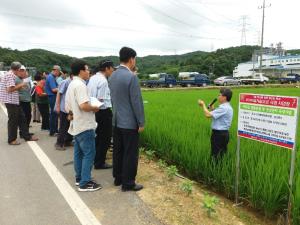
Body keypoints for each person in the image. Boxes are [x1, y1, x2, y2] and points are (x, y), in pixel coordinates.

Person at [109, 47, 145, 192]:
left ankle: (118, 178)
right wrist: (141, 122)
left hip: (116, 121)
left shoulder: (112, 76)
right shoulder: (131, 77)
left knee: (118, 150)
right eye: (135, 59)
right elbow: (137, 102)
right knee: (130, 153)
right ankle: (128, 183)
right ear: (131, 59)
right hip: (129, 123)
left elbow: (113, 100)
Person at [65, 59, 101, 192]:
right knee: (89, 154)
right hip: (85, 124)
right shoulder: (80, 85)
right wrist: (95, 107)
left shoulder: (71, 84)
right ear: (81, 71)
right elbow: (84, 105)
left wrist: (72, 115)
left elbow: (68, 107)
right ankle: (85, 183)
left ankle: (79, 178)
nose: (88, 72)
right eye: (87, 69)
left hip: (76, 124)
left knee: (79, 153)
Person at [0, 62, 38, 145]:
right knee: (13, 121)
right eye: (20, 70)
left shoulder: (10, 74)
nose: (21, 71)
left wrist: (20, 86)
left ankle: (27, 136)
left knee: (22, 119)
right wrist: (22, 84)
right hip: (10, 101)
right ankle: (12, 140)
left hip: (14, 101)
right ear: (17, 69)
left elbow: (12, 88)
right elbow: (9, 89)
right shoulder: (10, 75)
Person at [87, 60, 114, 169]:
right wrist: (97, 110)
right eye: (112, 68)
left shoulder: (92, 78)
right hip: (102, 111)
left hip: (94, 111)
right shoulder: (103, 81)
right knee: (105, 137)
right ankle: (100, 162)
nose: (112, 70)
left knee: (97, 137)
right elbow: (100, 99)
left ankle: (96, 158)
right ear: (107, 68)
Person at [198, 88, 233, 160]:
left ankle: (214, 168)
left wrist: (203, 105)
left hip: (218, 135)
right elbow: (218, 116)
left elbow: (207, 115)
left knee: (215, 155)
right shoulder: (227, 107)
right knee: (222, 154)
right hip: (224, 134)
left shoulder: (224, 108)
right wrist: (212, 109)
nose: (218, 97)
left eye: (219, 95)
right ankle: (220, 168)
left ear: (224, 97)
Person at [55, 74, 73, 150]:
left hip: (71, 109)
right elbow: (59, 93)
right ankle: (59, 143)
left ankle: (67, 141)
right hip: (64, 108)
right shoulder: (65, 82)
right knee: (63, 126)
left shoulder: (74, 82)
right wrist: (58, 106)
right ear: (72, 75)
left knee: (70, 126)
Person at [15, 65, 33, 133]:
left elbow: (28, 89)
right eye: (21, 71)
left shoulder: (24, 79)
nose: (23, 72)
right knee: (24, 117)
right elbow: (14, 89)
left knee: (28, 116)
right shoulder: (16, 79)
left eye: (24, 71)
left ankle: (26, 131)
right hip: (22, 101)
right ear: (18, 71)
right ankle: (23, 132)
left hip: (27, 100)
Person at [45, 65, 60, 136]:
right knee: (54, 114)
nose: (58, 73)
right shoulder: (51, 77)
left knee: (54, 114)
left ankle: (54, 130)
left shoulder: (52, 77)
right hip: (52, 97)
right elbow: (54, 89)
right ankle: (53, 131)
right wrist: (62, 89)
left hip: (52, 97)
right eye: (58, 72)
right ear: (56, 70)